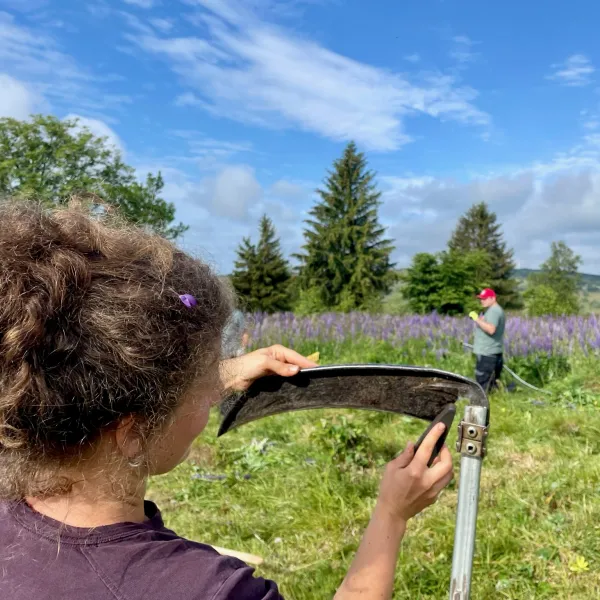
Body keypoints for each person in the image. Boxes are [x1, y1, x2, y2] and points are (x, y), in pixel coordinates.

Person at [0, 200, 453, 600]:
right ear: (133, 430)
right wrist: (392, 514)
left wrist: (227, 372)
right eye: (200, 388)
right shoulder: (207, 589)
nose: (212, 396)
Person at [469, 288, 506, 393]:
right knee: (491, 384)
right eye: (481, 299)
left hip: (487, 353)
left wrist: (476, 319)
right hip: (493, 351)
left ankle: (482, 406)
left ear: (493, 298)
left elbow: (491, 329)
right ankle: (492, 402)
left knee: (482, 384)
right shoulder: (495, 310)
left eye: (485, 299)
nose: (482, 301)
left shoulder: (494, 311)